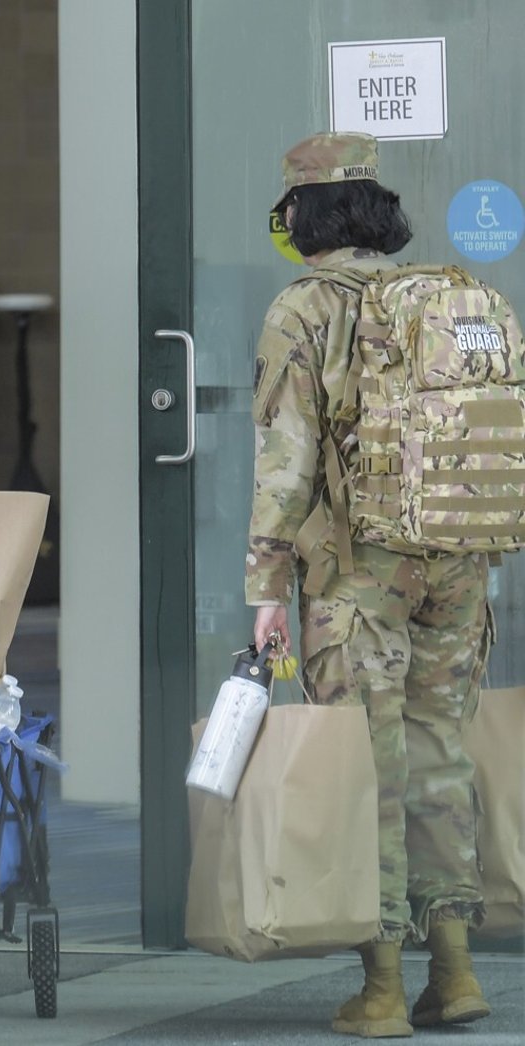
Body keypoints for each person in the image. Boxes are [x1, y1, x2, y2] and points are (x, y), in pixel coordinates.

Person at [246, 132, 491, 1039]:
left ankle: (383, 989)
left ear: (301, 216)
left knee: (369, 771)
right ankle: (457, 973)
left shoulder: (302, 308)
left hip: (358, 573)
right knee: (439, 759)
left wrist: (267, 588)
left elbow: (286, 463)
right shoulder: (446, 295)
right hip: (457, 563)